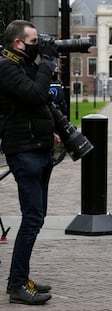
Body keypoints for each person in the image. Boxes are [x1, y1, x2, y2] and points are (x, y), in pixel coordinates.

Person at [0, 20, 59, 305]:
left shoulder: (25, 64)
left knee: (37, 218)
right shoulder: (6, 67)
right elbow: (35, 93)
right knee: (32, 218)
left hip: (39, 148)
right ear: (18, 43)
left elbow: (40, 101)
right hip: (24, 151)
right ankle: (17, 284)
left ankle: (22, 277)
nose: (41, 44)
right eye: (35, 40)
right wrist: (47, 60)